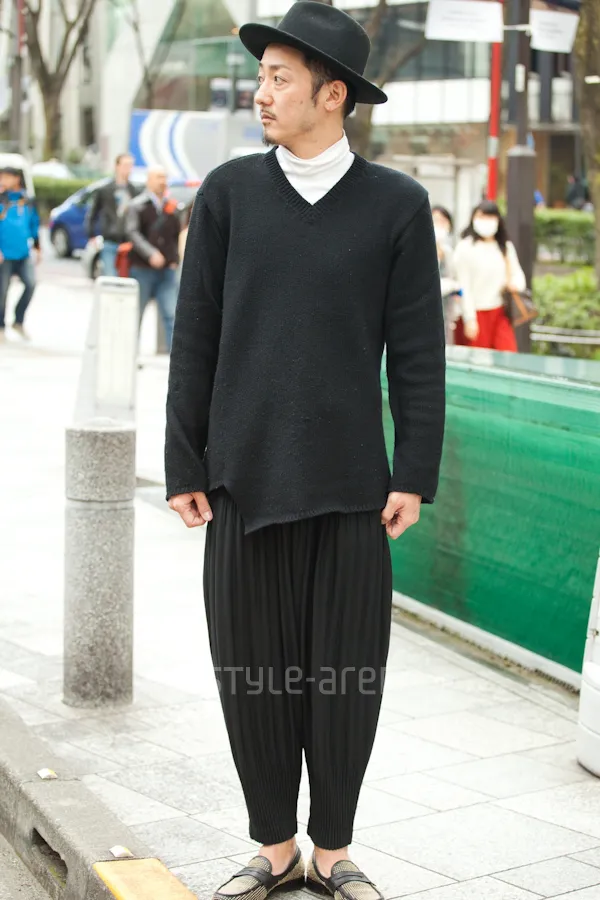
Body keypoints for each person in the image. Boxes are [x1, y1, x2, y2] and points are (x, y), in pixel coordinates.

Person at [165, 4, 446, 899]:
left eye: (280, 78)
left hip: (352, 487)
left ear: (334, 95)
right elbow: (195, 336)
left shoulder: (396, 205)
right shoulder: (228, 194)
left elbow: (417, 351)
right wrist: (184, 463)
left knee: (347, 681)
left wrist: (414, 474)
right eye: (262, 76)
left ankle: (333, 852)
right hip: (242, 483)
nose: (261, 92)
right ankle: (275, 849)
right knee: (251, 680)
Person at [453, 200, 526, 352]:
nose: (486, 221)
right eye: (481, 217)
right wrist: (470, 319)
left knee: (507, 355)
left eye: (490, 217)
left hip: (499, 311)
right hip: (475, 313)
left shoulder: (504, 247)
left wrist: (513, 284)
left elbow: (518, 276)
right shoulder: (465, 248)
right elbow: (463, 286)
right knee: (477, 359)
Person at [125, 165, 181, 350]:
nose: (162, 181)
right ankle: (131, 353)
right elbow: (132, 233)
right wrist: (150, 253)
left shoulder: (172, 207)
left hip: (167, 271)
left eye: (165, 177)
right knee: (136, 314)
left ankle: (174, 358)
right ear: (149, 180)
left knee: (171, 315)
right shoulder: (137, 205)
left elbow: (175, 236)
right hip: (142, 269)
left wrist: (174, 260)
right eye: (158, 177)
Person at [0, 166, 41, 342]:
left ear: (17, 179)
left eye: (6, 177)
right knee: (2, 292)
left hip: (23, 252)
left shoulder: (28, 200)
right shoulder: (2, 200)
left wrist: (37, 246)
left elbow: (34, 223)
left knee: (31, 284)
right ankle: (1, 326)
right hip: (4, 254)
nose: (2, 181)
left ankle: (18, 321)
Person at [85, 153, 139, 276]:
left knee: (127, 277)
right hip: (110, 240)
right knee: (110, 276)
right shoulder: (104, 190)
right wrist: (91, 235)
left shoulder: (135, 191)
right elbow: (92, 213)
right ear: (117, 166)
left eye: (130, 166)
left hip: (128, 242)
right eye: (125, 165)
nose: (128, 169)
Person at [432, 205, 460, 345]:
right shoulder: (417, 250)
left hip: (445, 314)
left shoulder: (449, 253)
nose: (439, 225)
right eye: (435, 220)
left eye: (443, 221)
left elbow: (457, 283)